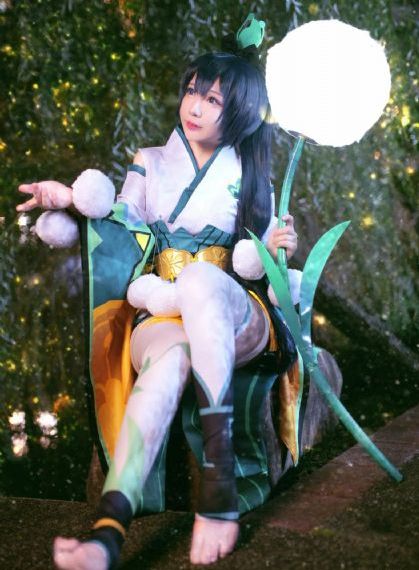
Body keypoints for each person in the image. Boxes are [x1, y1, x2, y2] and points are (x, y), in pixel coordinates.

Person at [17, 30, 299, 569]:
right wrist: (71, 202)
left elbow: (259, 261)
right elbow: (120, 225)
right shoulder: (148, 160)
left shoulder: (252, 174)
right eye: (192, 91)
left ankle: (219, 482)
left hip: (235, 311)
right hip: (164, 304)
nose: (194, 106)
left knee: (202, 282)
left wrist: (277, 246)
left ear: (239, 111)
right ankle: (107, 532)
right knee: (167, 363)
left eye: (212, 99)